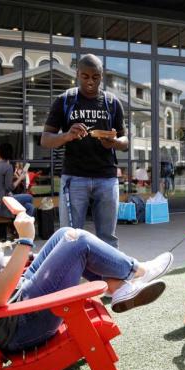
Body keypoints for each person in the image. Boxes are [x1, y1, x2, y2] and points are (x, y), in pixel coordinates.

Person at [0, 167, 174, 353]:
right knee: (78, 241)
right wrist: (25, 241)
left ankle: (120, 287)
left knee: (63, 234)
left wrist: (29, 254)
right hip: (22, 325)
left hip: (23, 298)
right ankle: (136, 272)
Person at [41, 54, 128, 248]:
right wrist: (67, 136)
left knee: (107, 238)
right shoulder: (65, 100)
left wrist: (113, 142)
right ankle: (70, 277)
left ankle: (109, 277)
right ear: (77, 74)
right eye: (85, 76)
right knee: (70, 237)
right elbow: (45, 140)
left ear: (102, 76)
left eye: (95, 77)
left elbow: (126, 141)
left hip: (106, 177)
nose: (90, 81)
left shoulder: (112, 102)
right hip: (74, 178)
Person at [0, 143, 35, 218]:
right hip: (3, 203)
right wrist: (20, 178)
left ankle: (18, 226)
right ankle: (18, 224)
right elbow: (9, 187)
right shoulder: (8, 167)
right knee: (29, 197)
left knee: (29, 207)